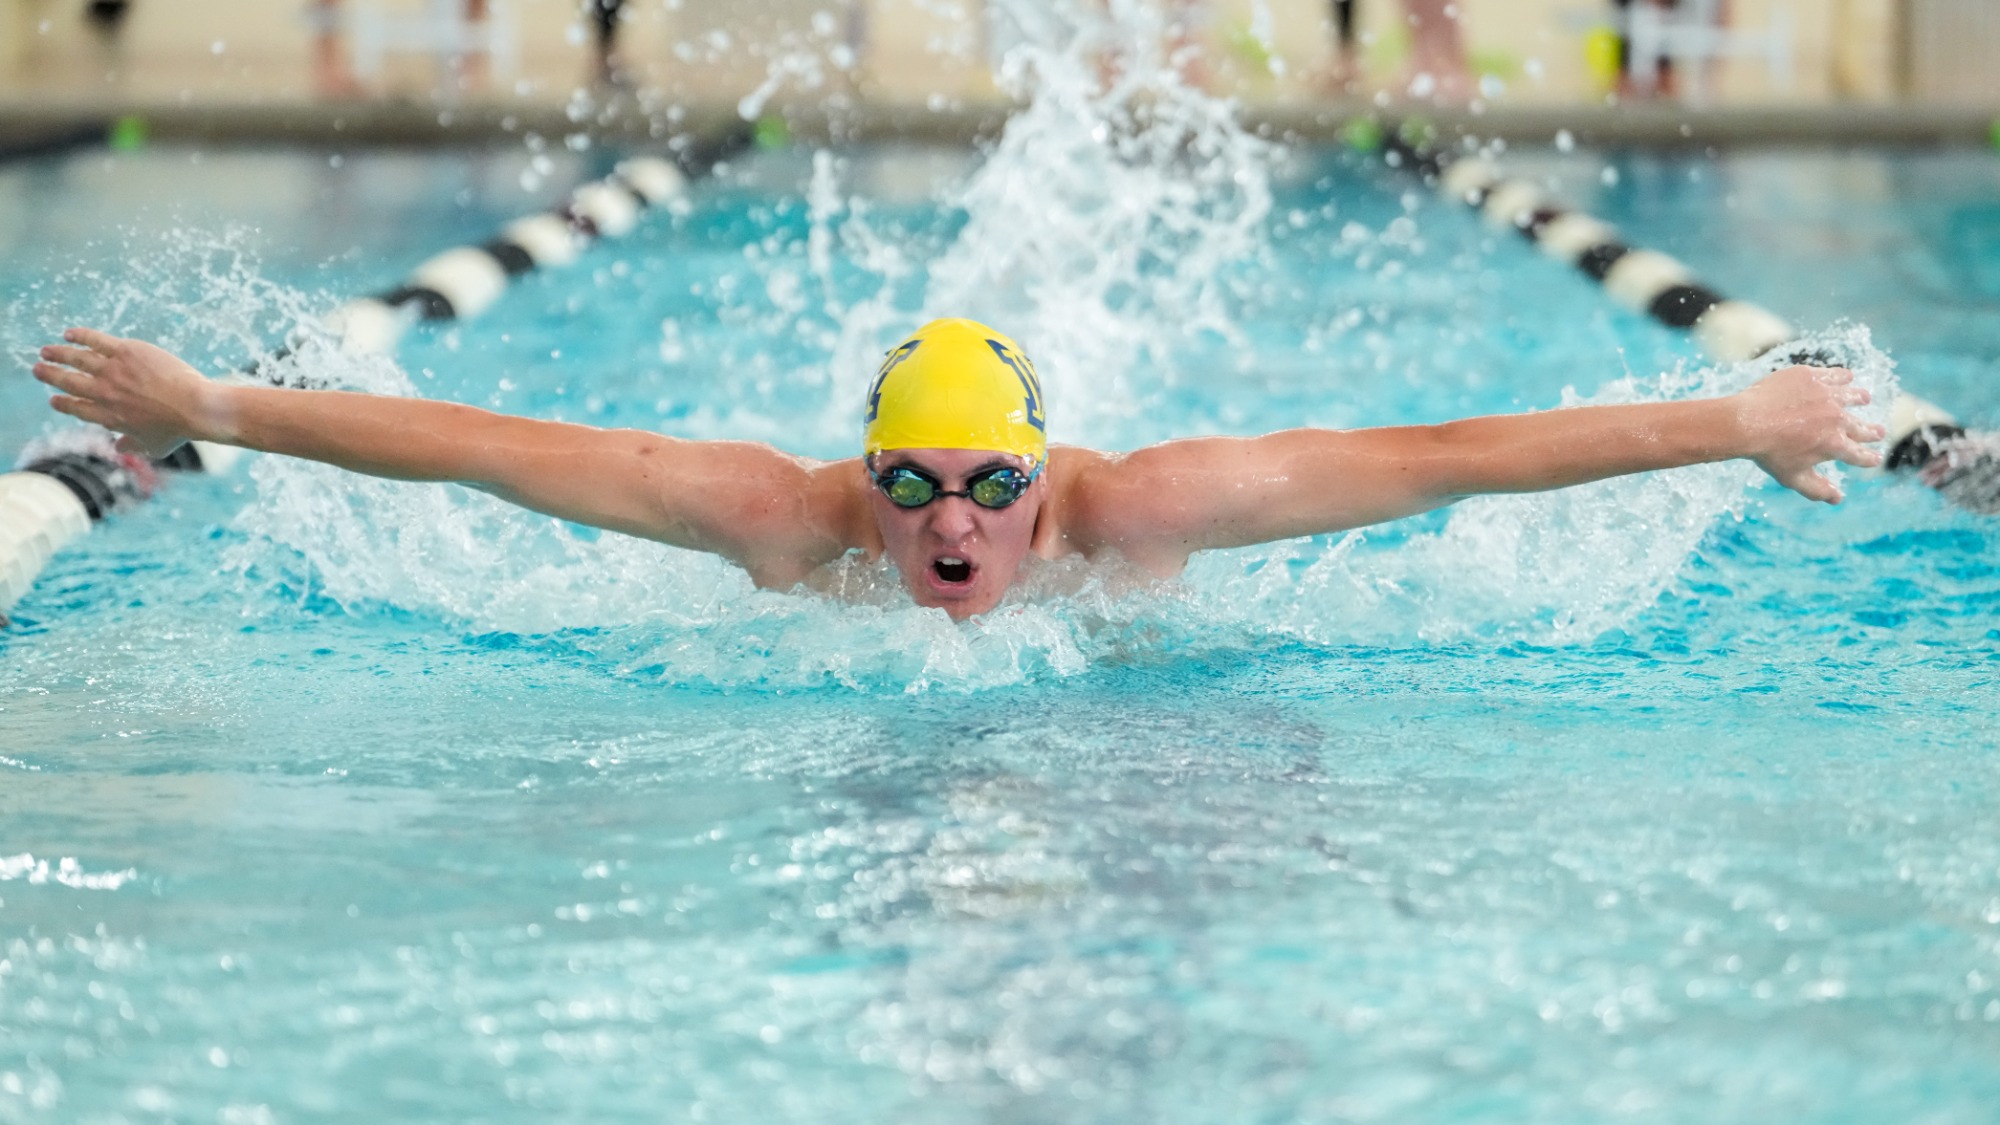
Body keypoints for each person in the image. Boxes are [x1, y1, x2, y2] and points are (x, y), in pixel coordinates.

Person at [31, 318, 1884, 622]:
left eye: (989, 486)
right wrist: (223, 407)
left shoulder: (1140, 509)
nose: (949, 521)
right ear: (864, 474)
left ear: (1043, 473)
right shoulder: (782, 520)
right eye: (909, 484)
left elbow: (1440, 462)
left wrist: (1737, 418)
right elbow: (491, 456)